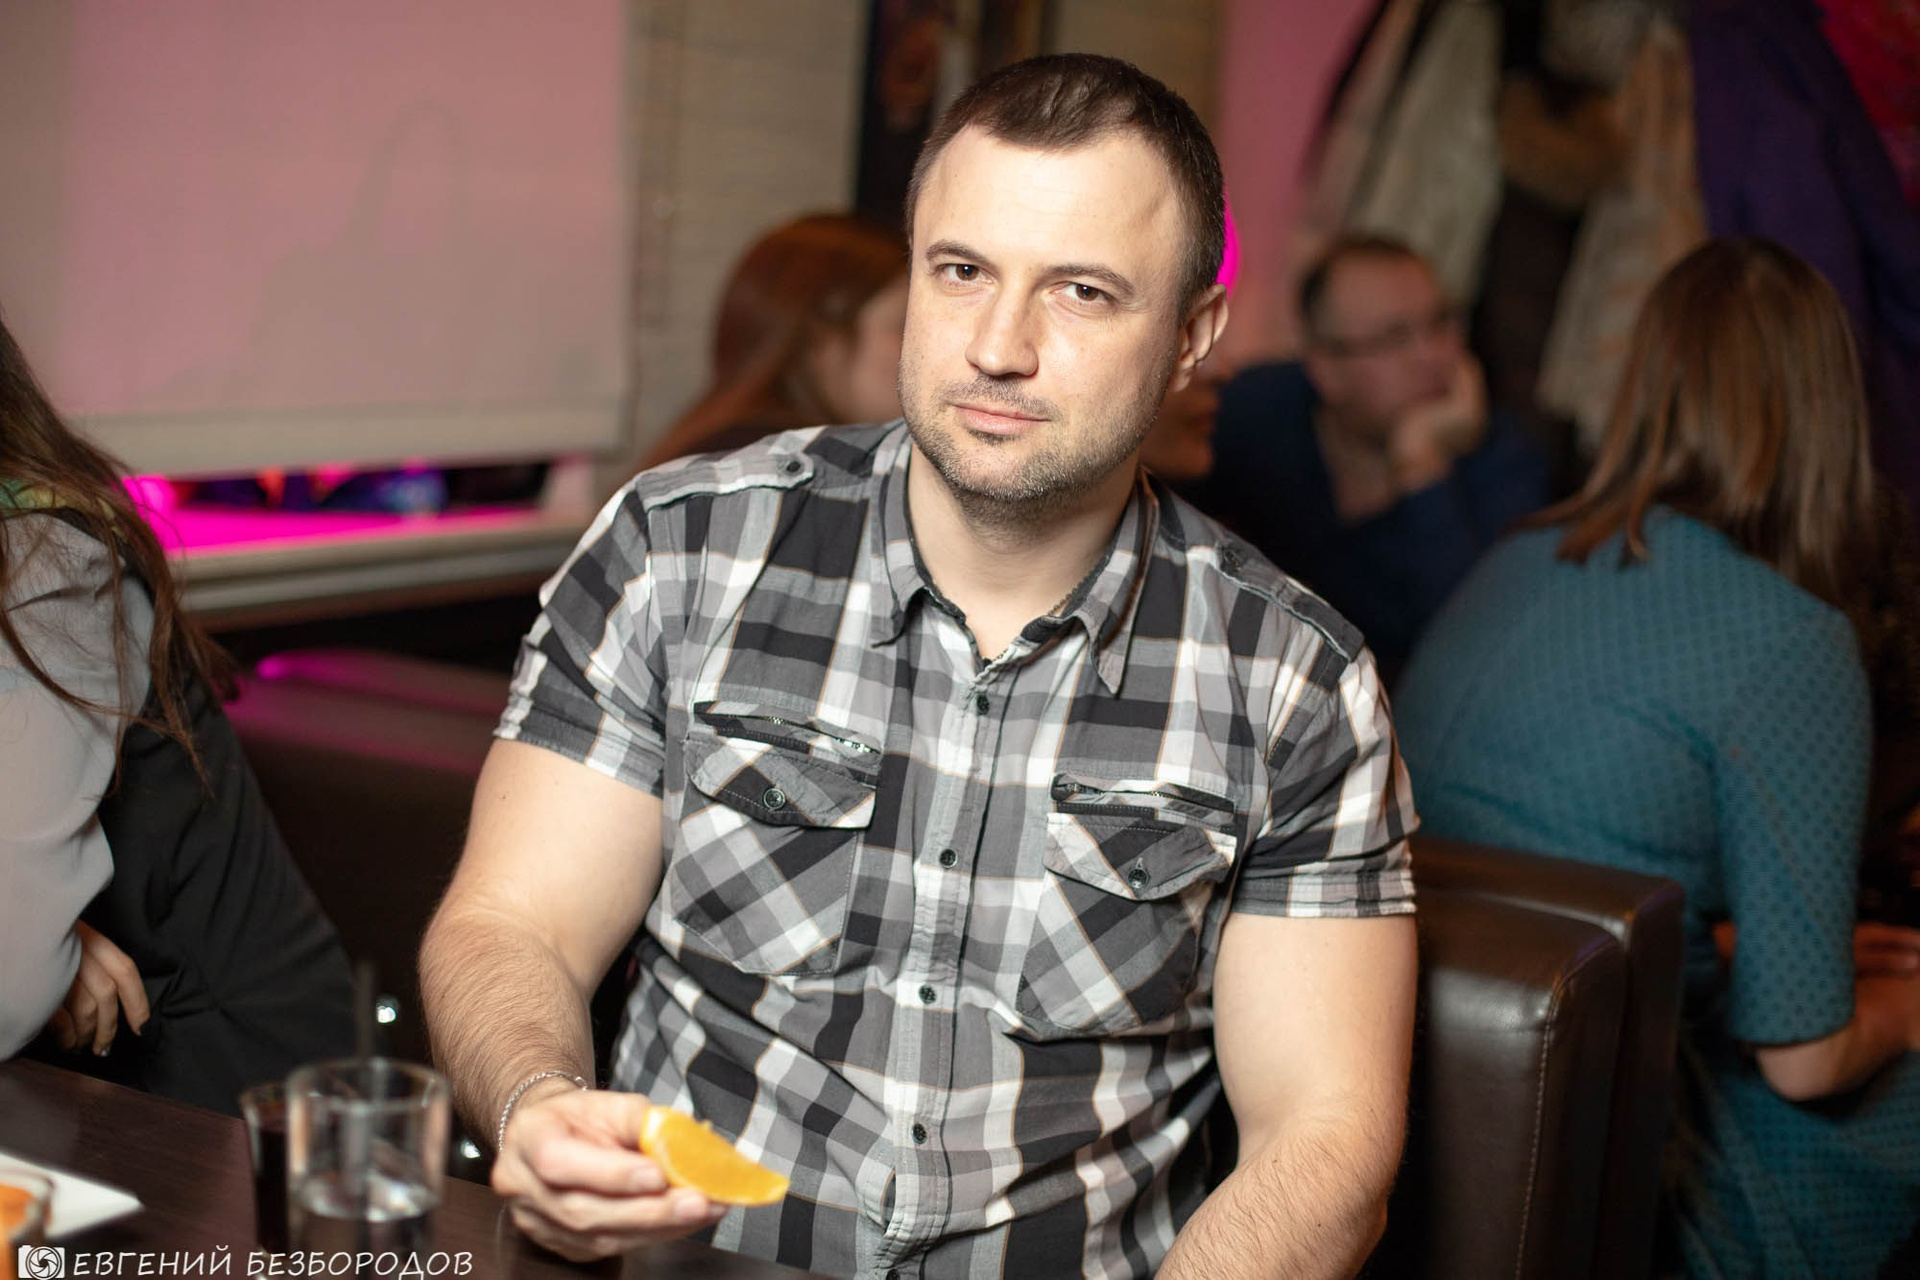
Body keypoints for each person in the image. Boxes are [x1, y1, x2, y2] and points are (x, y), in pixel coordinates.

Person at [421, 54, 1417, 1279]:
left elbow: (1325, 1136)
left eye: (1083, 292)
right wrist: (536, 1100)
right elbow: (512, 921)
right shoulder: (679, 550)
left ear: (1190, 338)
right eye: (961, 271)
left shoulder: (1296, 679)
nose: (998, 346)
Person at [1393, 239, 1920, 1279]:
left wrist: (1766, 953)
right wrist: (1906, 1009)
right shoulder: (1792, 638)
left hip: (1429, 1107)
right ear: (1832, 409)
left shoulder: (1515, 557)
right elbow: (1804, 1059)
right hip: (1619, 1142)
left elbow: (1561, 845)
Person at [0, 308, 354, 1113]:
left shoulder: (39, 564)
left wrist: (38, 946)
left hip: (229, 1098)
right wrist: (56, 941)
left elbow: (8, 977)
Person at [1182, 235, 1549, 679]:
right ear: (1326, 370)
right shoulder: (1261, 408)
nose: (1432, 356)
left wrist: (1422, 467)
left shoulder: (1505, 464)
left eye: (1440, 324)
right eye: (1395, 338)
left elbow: (1471, 649)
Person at [638, 213, 909, 468]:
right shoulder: (787, 467)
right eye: (903, 326)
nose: (921, 347)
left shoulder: (717, 442)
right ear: (821, 342)